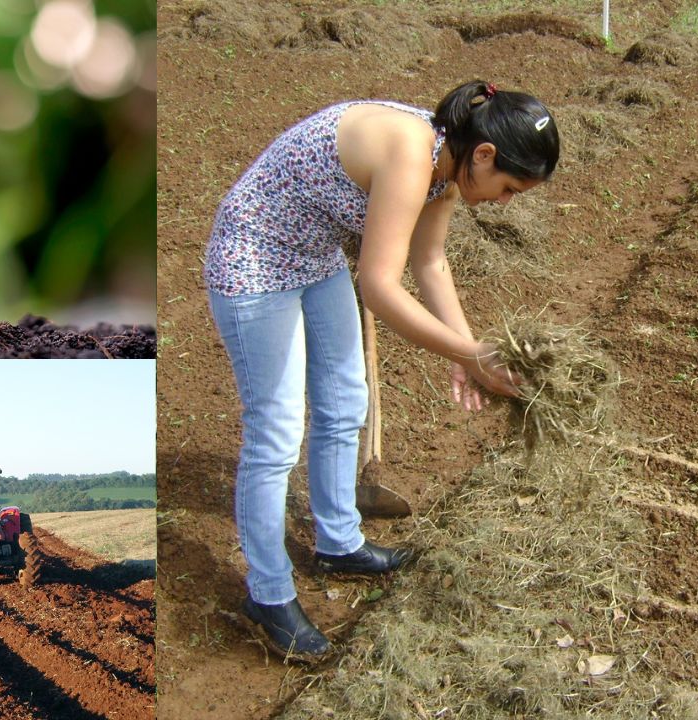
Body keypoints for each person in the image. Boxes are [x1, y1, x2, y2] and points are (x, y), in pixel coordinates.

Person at [205, 80, 558, 660]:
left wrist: (464, 351)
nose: (506, 201)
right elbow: (378, 285)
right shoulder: (411, 154)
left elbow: (431, 261)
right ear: (486, 155)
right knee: (275, 429)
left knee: (346, 399)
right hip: (255, 255)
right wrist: (467, 355)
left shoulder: (451, 162)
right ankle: (267, 594)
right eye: (510, 188)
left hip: (313, 253)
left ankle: (338, 542)